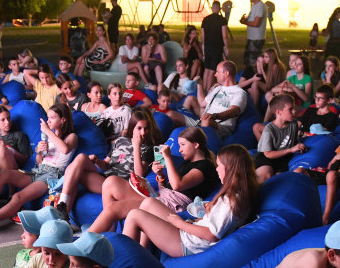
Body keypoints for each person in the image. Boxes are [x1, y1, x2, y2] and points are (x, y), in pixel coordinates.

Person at [120, 144, 257, 257]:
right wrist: (193, 221)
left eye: (219, 165)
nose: (216, 169)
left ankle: (126, 261)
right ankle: (141, 253)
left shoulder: (231, 200)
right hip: (191, 232)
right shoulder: (237, 194)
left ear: (230, 170)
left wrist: (180, 223)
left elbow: (211, 235)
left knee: (133, 215)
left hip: (189, 243)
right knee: (148, 203)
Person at [87, 126, 220, 233]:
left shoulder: (205, 166)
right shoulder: (187, 163)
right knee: (111, 181)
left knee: (114, 208)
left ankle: (85, 244)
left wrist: (167, 158)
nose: (179, 150)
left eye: (183, 145)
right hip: (160, 197)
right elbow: (166, 188)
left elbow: (177, 186)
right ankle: (110, 231)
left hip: (171, 205)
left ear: (196, 145)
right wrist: (161, 176)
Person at [0, 104, 78, 233]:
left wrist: (48, 131)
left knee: (18, 197)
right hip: (38, 171)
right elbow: (40, 162)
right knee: (5, 174)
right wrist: (40, 152)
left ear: (63, 120)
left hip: (51, 176)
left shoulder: (72, 137)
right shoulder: (50, 137)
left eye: (52, 118)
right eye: (48, 117)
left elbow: (65, 149)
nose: (48, 121)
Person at [54, 110, 162, 220]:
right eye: (139, 128)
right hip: (104, 177)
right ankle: (62, 207)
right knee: (81, 158)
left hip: (119, 184)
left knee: (74, 175)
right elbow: (105, 164)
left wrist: (137, 147)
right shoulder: (121, 140)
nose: (143, 132)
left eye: (146, 128)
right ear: (132, 128)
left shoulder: (148, 149)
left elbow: (139, 174)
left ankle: (62, 210)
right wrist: (97, 161)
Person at [255, 95, 306, 182]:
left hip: (282, 160)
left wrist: (299, 145)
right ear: (278, 112)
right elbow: (268, 154)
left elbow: (293, 141)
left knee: (279, 181)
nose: (294, 111)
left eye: (294, 108)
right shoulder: (269, 129)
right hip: (268, 159)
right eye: (290, 109)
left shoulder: (293, 124)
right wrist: (290, 150)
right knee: (267, 174)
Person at [195, 60, 248, 138]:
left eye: (217, 72)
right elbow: (202, 103)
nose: (215, 75)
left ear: (226, 73)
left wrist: (215, 116)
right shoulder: (218, 88)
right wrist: (199, 84)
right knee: (172, 115)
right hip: (202, 122)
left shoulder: (239, 92)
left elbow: (234, 111)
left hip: (222, 126)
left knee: (206, 122)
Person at [201, 0, 230, 92]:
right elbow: (224, 35)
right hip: (217, 47)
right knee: (213, 69)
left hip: (207, 47)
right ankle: (208, 89)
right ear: (219, 9)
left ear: (212, 8)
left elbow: (203, 36)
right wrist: (227, 47)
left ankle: (204, 87)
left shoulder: (205, 19)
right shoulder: (222, 20)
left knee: (206, 68)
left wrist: (203, 48)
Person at [239, 0, 267, 68]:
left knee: (253, 62)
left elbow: (256, 23)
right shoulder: (254, 6)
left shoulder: (260, 6)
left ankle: (254, 78)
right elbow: (252, 19)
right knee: (247, 61)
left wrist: (244, 22)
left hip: (256, 38)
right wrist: (245, 19)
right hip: (252, 37)